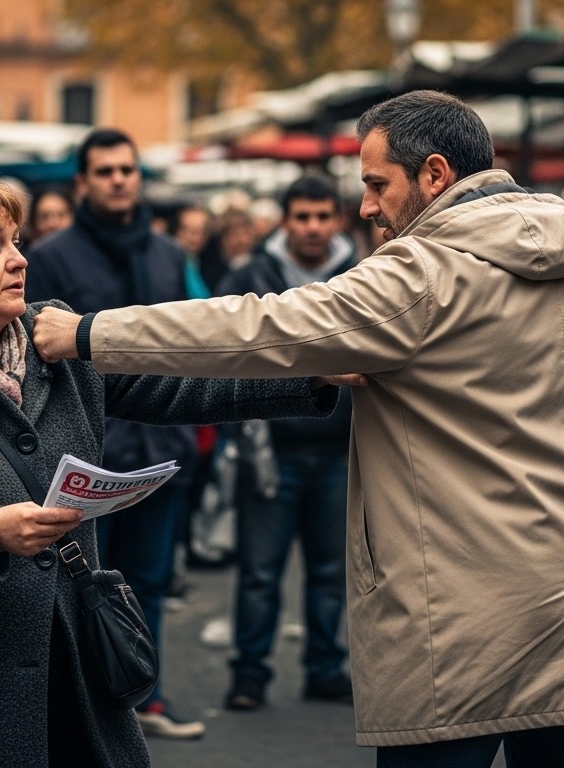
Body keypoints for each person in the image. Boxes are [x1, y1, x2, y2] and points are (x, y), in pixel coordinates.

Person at [33, 90, 564, 767]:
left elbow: (258, 324)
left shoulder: (422, 268)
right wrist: (560, 420)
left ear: (436, 175)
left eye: (377, 184)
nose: (366, 206)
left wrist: (89, 331)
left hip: (461, 618)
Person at [0, 171, 340, 766]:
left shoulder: (53, 341)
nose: (18, 261)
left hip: (72, 681)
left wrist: (310, 374)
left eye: (16, 242)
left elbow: (178, 385)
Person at [24, 128, 206, 739]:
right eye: (104, 171)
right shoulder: (50, 257)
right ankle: (79, 708)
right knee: (77, 586)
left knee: (148, 579)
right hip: (84, 453)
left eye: (127, 169)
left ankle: (142, 696)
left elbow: (186, 346)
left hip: (159, 450)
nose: (118, 179)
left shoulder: (164, 253)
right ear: (82, 183)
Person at [217, 175, 359, 711]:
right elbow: (227, 354)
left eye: (323, 216)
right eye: (303, 216)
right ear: (285, 220)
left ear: (337, 219)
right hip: (270, 446)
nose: (314, 227)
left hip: (340, 446)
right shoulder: (252, 273)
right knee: (258, 571)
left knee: (330, 571)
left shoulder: (366, 271)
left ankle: (324, 667)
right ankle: (249, 673)